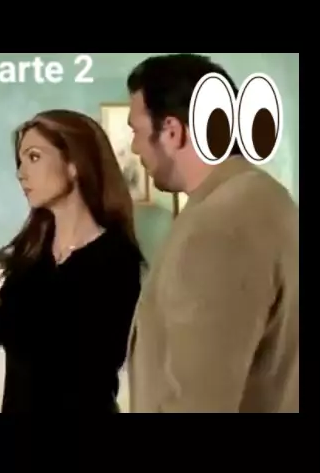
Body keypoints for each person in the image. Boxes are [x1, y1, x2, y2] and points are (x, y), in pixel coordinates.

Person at [0, 109, 144, 413]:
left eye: (33, 157)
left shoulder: (115, 259)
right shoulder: (34, 257)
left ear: (74, 164)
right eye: (20, 161)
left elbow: (82, 368)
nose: (21, 173)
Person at [125, 54, 299, 413]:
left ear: (171, 131)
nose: (135, 147)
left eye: (137, 132)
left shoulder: (221, 224)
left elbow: (199, 401)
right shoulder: (268, 199)